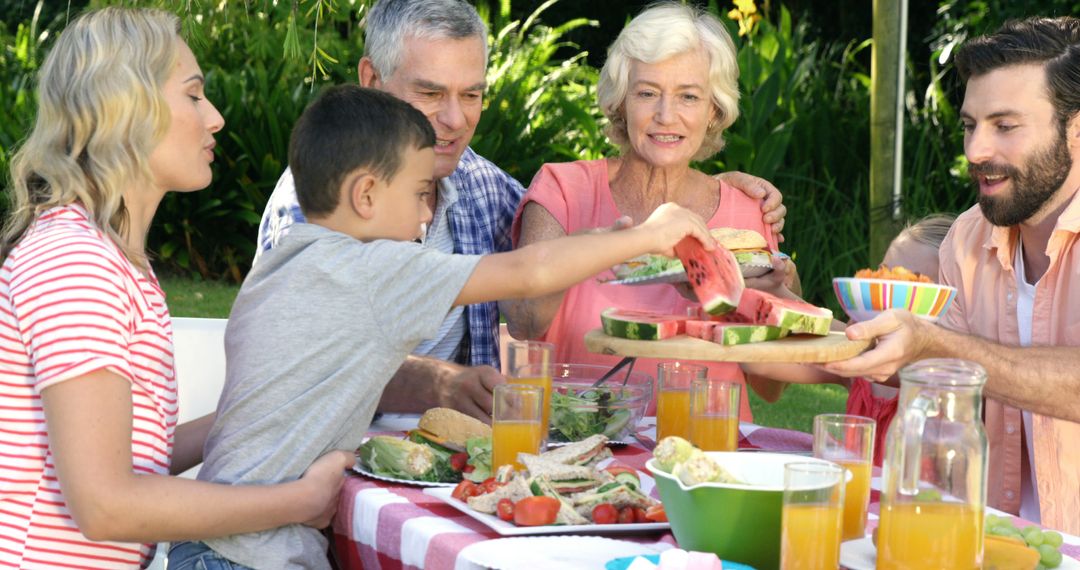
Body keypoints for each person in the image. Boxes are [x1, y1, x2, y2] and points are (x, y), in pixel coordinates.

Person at [170, 84, 716, 569]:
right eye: (417, 193)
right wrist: (648, 235)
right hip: (253, 556)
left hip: (209, 546)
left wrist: (602, 239)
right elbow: (527, 274)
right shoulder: (373, 271)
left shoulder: (286, 261)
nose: (427, 214)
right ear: (365, 196)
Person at [255, 0, 787, 422]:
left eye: (472, 94)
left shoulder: (483, 186)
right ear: (372, 80)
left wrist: (718, 193)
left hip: (451, 459)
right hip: (328, 464)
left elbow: (553, 241)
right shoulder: (316, 202)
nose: (455, 118)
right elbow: (308, 361)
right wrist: (437, 382)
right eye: (430, 92)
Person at [0, 8, 351, 569]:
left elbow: (136, 458)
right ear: (125, 109)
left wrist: (279, 413)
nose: (214, 118)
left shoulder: (112, 261)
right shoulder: (74, 263)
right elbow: (105, 505)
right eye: (193, 96)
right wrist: (297, 501)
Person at [824, 17, 1080, 533]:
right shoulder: (967, 238)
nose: (975, 151)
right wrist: (782, 316)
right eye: (969, 125)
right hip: (986, 540)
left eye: (1005, 126)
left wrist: (931, 344)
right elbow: (934, 376)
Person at [502, 2, 797, 420]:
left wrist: (786, 289)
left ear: (714, 110)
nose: (665, 115)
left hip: (705, 456)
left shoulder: (747, 213)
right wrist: (610, 246)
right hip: (585, 445)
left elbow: (771, 384)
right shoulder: (562, 191)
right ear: (621, 101)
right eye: (647, 93)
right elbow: (524, 322)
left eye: (688, 96)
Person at [742, 213, 956, 465]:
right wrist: (770, 288)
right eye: (882, 276)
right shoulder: (857, 355)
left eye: (908, 284)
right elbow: (758, 361)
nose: (882, 293)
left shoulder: (949, 381)